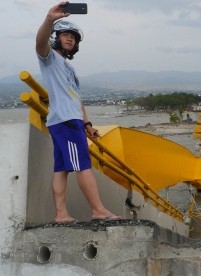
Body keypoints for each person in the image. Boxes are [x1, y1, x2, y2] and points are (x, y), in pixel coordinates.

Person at [36, 2, 121, 223]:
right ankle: (98, 210)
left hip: (70, 121)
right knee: (83, 165)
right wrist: (49, 19)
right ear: (56, 37)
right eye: (65, 35)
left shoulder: (69, 68)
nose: (70, 39)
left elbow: (77, 101)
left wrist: (87, 124)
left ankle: (61, 214)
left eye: (73, 37)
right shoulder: (50, 59)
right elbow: (39, 43)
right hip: (65, 122)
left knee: (61, 169)